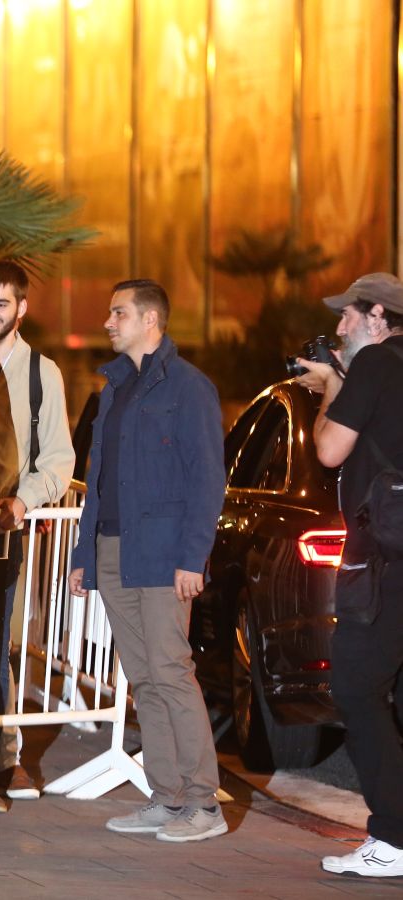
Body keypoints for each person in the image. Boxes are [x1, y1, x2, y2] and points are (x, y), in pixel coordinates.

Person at [67, 279, 226, 843]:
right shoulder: (116, 387)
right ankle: (168, 797)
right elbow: (100, 480)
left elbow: (208, 477)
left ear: (150, 320)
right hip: (115, 551)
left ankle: (204, 805)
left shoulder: (189, 387)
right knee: (143, 678)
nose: (108, 322)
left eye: (118, 313)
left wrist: (193, 558)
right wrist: (85, 555)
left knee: (170, 671)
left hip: (163, 556)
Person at [293, 273, 403, 878]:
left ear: (378, 315)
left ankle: (392, 838)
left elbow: (330, 450)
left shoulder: (377, 367)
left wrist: (333, 385)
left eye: (348, 317)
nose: (339, 328)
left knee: (358, 691)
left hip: (383, 562)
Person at [0, 261, 75, 813]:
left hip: (4, 535)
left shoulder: (41, 373)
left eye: (0, 303)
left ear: (21, 308)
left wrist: (21, 502)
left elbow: (57, 459)